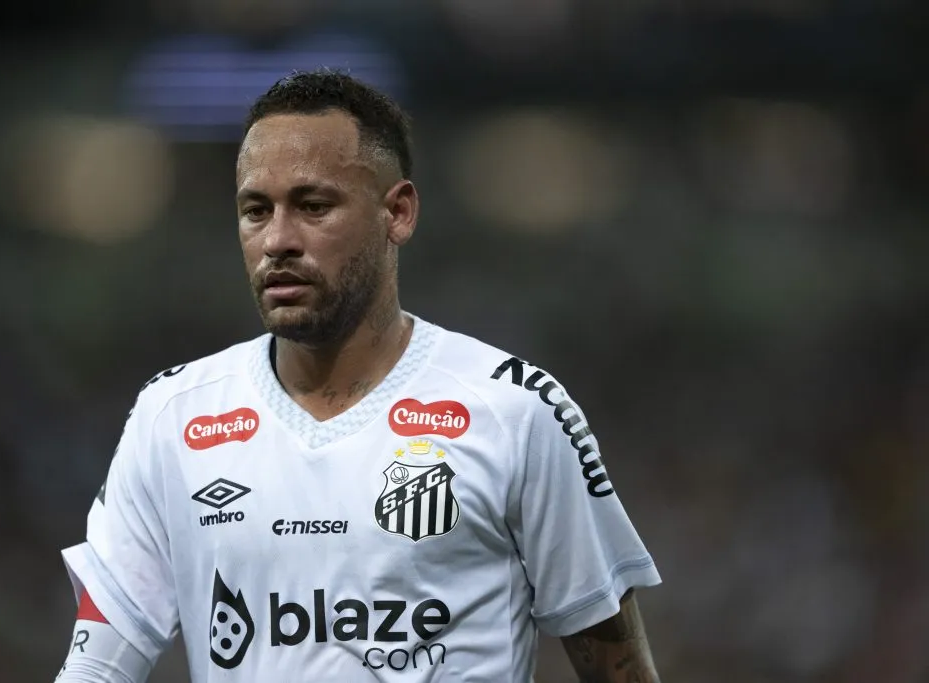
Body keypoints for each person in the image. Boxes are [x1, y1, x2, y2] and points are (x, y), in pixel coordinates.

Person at [55, 69, 662, 683]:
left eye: (313, 206)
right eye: (256, 211)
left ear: (397, 212)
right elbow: (94, 669)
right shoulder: (173, 416)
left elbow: (621, 671)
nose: (277, 240)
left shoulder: (516, 412)